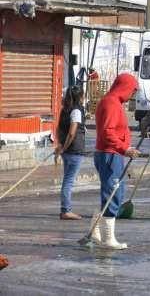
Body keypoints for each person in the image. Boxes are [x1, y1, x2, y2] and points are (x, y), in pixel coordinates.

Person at [92, 73, 141, 250]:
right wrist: (124, 148)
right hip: (110, 154)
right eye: (132, 91)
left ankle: (95, 232)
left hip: (113, 153)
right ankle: (108, 239)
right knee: (113, 192)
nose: (132, 95)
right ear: (125, 87)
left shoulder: (112, 102)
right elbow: (107, 132)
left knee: (111, 192)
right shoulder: (111, 103)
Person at [55, 85, 86, 220]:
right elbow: (72, 132)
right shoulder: (76, 111)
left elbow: (58, 129)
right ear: (80, 96)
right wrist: (64, 147)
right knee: (68, 181)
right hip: (74, 151)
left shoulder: (64, 110)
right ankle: (66, 210)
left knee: (67, 180)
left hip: (67, 151)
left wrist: (60, 145)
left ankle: (65, 209)